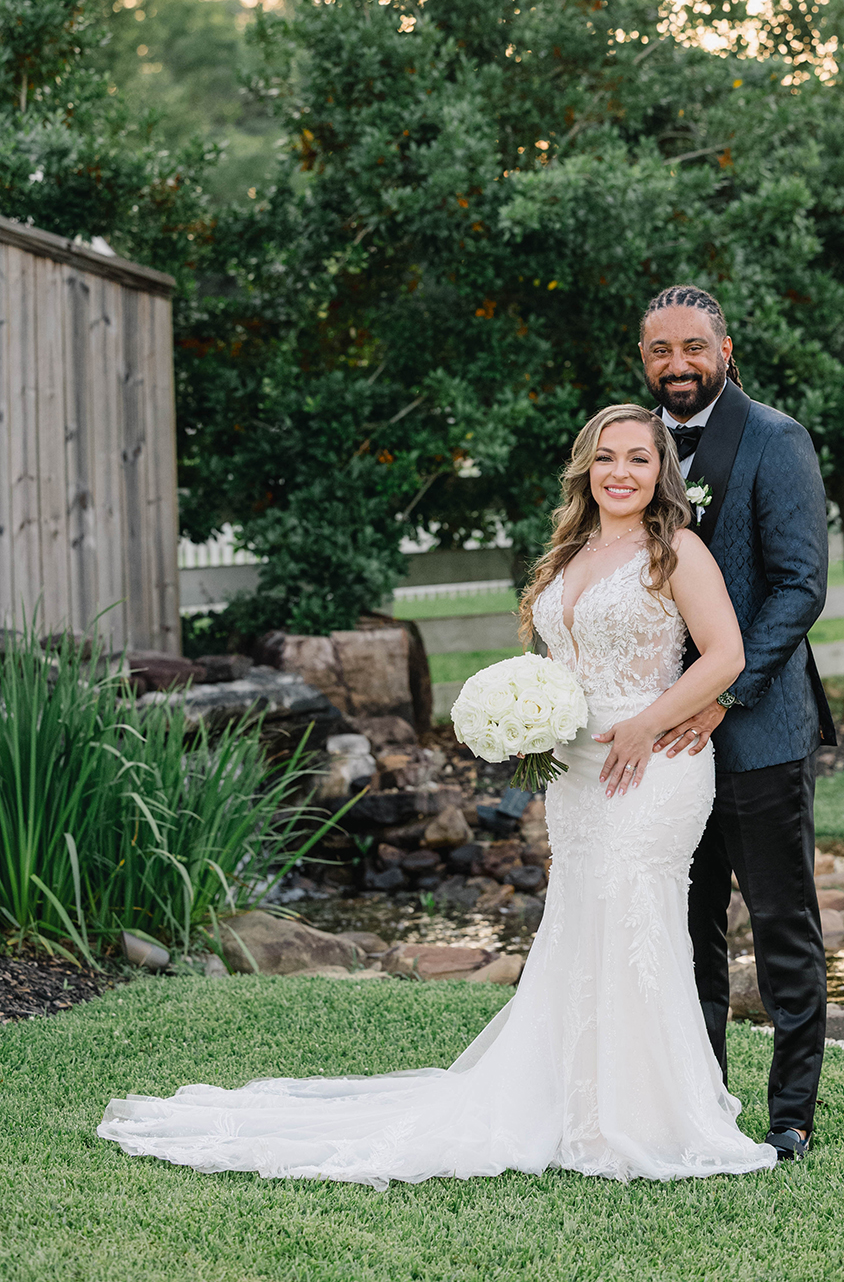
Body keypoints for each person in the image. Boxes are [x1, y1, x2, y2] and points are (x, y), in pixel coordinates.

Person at [98, 403, 777, 1186]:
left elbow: (724, 654)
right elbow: (564, 660)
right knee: (583, 916)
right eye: (605, 458)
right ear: (585, 468)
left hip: (652, 762)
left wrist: (646, 724)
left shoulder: (678, 550)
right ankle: (575, 1100)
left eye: (638, 459)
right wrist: (533, 720)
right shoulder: (571, 550)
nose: (620, 473)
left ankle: (645, 1114)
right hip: (578, 771)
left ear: (662, 471)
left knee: (637, 916)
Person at [638, 285, 835, 1162]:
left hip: (759, 732)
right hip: (660, 740)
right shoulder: (631, 447)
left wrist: (724, 693)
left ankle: (790, 1114)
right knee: (689, 927)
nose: (676, 364)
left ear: (726, 350)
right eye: (658, 351)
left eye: (692, 347)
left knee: (782, 925)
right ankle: (703, 1099)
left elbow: (800, 585)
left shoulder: (777, 439)